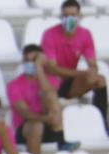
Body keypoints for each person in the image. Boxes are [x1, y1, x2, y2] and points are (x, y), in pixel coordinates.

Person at [42, 0, 108, 128]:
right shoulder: (50, 34)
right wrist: (83, 73)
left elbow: (92, 62)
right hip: (51, 83)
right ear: (61, 16)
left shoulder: (85, 34)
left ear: (80, 16)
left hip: (70, 82)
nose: (69, 18)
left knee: (100, 80)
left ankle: (101, 122)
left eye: (73, 15)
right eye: (66, 15)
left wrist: (92, 71)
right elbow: (52, 68)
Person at [8, 44, 80, 154]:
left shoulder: (51, 79)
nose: (30, 63)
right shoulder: (14, 85)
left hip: (50, 125)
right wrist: (45, 118)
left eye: (34, 60)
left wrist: (39, 69)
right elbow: (24, 112)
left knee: (50, 94)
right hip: (26, 128)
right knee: (36, 126)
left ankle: (60, 139)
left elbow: (51, 95)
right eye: (27, 60)